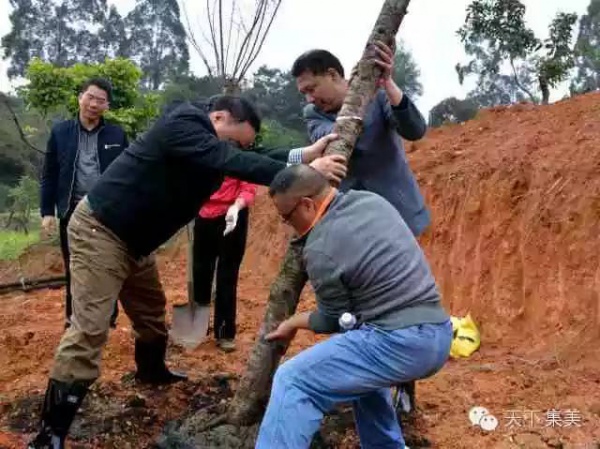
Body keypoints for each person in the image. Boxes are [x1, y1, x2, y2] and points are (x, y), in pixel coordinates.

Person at [27, 95, 346, 449]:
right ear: (219, 117)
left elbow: (248, 156)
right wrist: (306, 177)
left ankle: (151, 372)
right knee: (89, 329)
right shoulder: (183, 123)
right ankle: (50, 434)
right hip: (100, 232)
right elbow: (230, 158)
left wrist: (305, 155)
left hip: (136, 242)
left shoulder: (208, 144)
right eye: (235, 139)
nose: (236, 149)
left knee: (151, 317)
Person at [256, 165, 452, 449]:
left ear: (308, 205)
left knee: (294, 380)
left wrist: (292, 323)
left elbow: (334, 319)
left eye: (287, 218)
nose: (288, 227)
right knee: (356, 365)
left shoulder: (320, 247)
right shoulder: (371, 201)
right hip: (438, 333)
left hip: (400, 342)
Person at [289, 41, 430, 411]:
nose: (309, 97)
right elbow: (347, 142)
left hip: (398, 215)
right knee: (360, 305)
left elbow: (415, 129)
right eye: (304, 92)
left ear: (334, 75)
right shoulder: (314, 116)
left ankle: (404, 388)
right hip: (353, 226)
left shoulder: (380, 94)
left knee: (401, 301)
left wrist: (386, 85)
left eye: (312, 87)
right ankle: (368, 384)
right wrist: (363, 97)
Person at [40, 77, 125, 329]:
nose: (94, 104)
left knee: (108, 265)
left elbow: (128, 173)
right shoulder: (61, 132)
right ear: (80, 98)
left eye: (100, 100)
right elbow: (49, 174)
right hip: (72, 210)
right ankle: (73, 316)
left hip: (107, 212)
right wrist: (47, 212)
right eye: (90, 97)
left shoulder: (117, 134)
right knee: (74, 266)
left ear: (106, 106)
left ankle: (108, 316)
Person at [193, 176, 257, 352]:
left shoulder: (240, 156)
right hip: (203, 215)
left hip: (232, 216)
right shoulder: (205, 152)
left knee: (226, 276)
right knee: (200, 271)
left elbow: (248, 187)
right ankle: (198, 326)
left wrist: (236, 206)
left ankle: (225, 332)